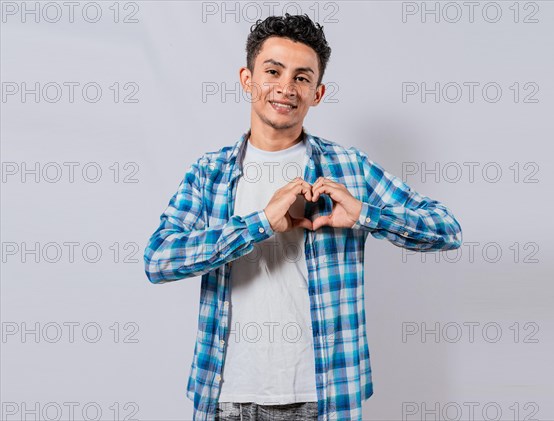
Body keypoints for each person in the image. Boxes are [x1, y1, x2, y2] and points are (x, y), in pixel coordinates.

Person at [143, 13, 463, 421]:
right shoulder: (210, 173)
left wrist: (366, 214)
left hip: (323, 397)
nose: (285, 87)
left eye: (301, 77)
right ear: (247, 79)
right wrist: (260, 223)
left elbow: (446, 228)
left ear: (317, 92)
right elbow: (158, 260)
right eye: (273, 71)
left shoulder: (349, 169)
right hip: (228, 398)